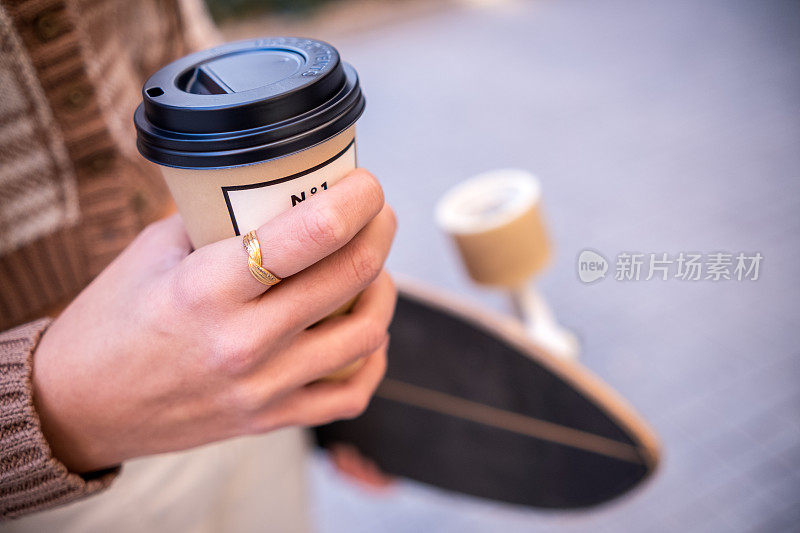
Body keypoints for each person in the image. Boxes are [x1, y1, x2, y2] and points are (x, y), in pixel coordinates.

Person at [0, 0, 396, 530]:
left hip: (253, 382)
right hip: (46, 494)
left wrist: (331, 364)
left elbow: (197, 61)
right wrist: (49, 414)